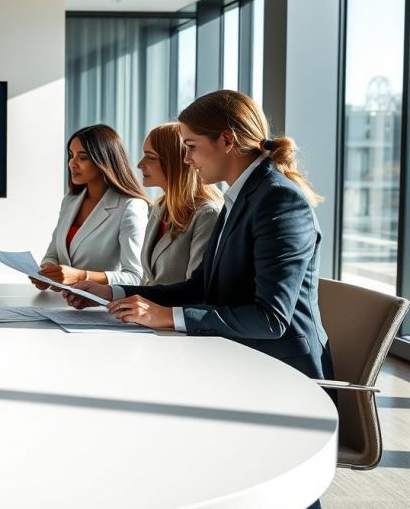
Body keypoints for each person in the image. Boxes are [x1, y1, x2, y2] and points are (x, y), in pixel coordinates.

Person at [68, 90, 334, 383]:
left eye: (191, 146)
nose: (186, 158)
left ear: (227, 141)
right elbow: (201, 287)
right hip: (234, 359)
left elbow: (270, 319)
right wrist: (116, 293)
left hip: (283, 374)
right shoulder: (241, 196)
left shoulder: (279, 200)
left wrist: (167, 316)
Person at [33, 124, 148, 290]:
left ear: (104, 160)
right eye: (71, 155)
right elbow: (52, 255)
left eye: (83, 157)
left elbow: (134, 277)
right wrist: (48, 273)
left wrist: (82, 276)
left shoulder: (131, 207)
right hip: (61, 305)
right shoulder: (71, 200)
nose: (72, 163)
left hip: (101, 309)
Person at [136, 122, 222, 285]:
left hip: (172, 310)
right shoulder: (159, 207)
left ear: (176, 163)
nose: (140, 165)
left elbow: (196, 289)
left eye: (151, 157)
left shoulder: (207, 215)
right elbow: (148, 281)